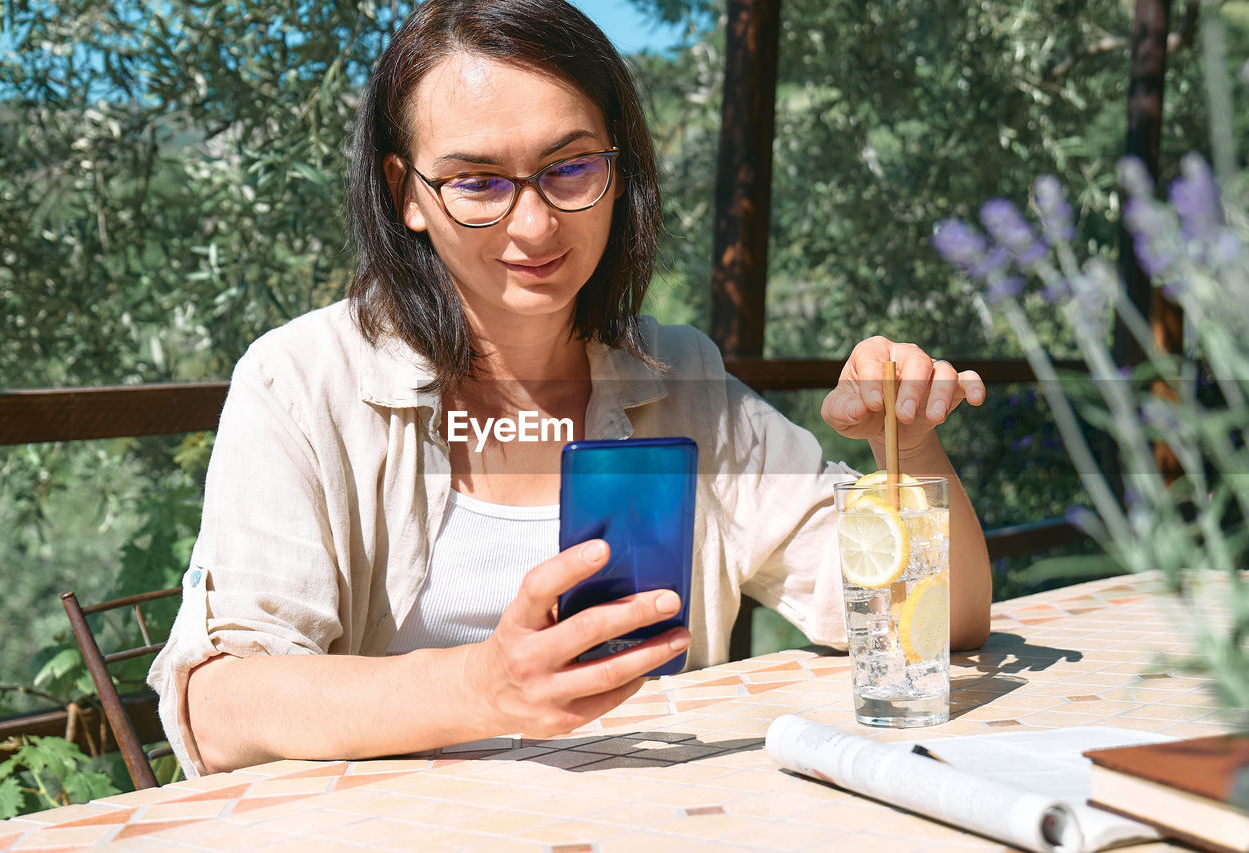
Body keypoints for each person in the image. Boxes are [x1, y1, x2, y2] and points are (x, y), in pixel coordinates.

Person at [148, 0, 992, 778]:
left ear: (617, 168)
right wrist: (483, 685)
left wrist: (909, 446)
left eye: (570, 167)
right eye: (478, 181)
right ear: (407, 192)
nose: (535, 225)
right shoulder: (300, 384)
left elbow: (941, 621)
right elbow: (220, 708)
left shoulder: (683, 381)